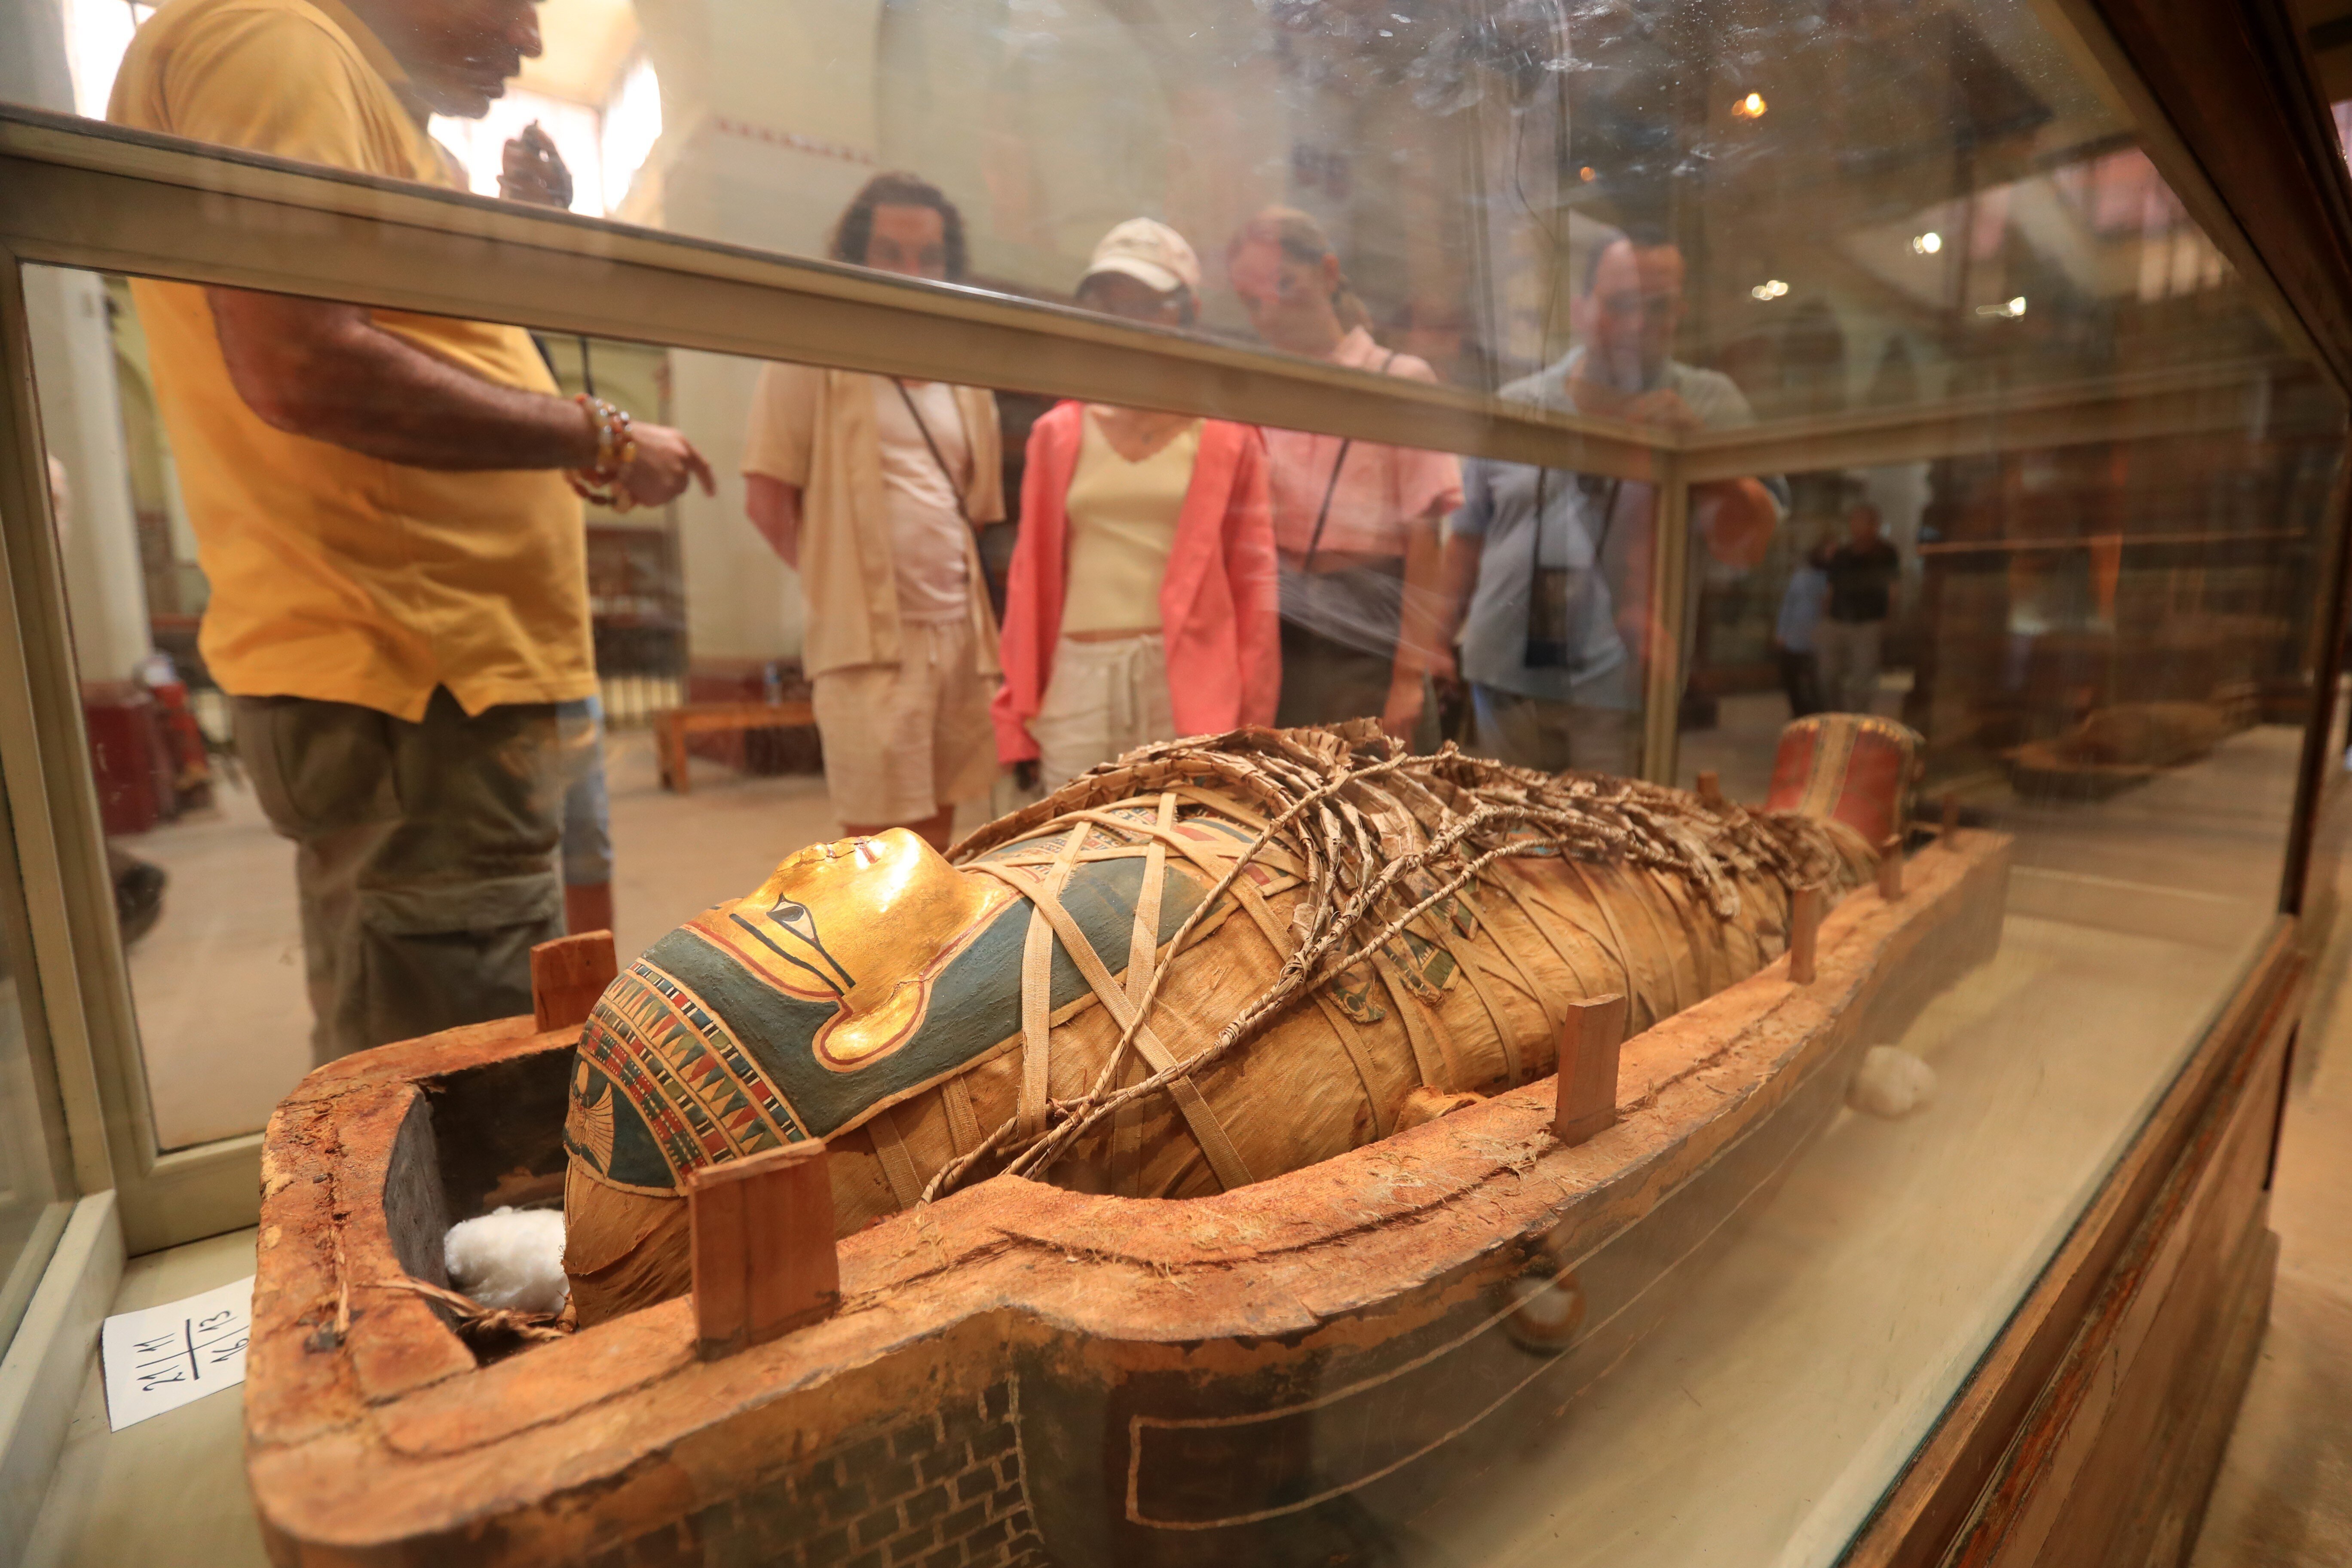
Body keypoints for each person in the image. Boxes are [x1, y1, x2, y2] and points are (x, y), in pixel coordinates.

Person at [109, 0, 714, 1062]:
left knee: (453, 1029)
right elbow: (304, 360)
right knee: (452, 1082)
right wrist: (602, 439)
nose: (530, 39)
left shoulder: (354, 95)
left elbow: (437, 347)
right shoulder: (275, 40)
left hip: (438, 672)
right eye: (516, 1)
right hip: (411, 674)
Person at [1432, 227, 1785, 775]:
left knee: (1608, 851)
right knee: (1505, 843)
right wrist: (1432, 648)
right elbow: (1468, 538)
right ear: (1580, 308)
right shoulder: (1520, 407)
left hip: (1622, 686)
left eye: (1658, 307)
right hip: (1503, 675)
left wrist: (1702, 462)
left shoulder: (1710, 403)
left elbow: (1749, 547)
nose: (1637, 325)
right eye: (1620, 305)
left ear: (1680, 312)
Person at [741, 174, 1007, 853]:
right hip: (866, 648)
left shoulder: (964, 370)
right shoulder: (815, 350)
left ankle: (933, 967)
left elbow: (974, 511)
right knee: (875, 864)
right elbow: (767, 500)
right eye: (891, 253)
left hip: (958, 636)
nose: (912, 273)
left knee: (941, 854)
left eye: (929, 257)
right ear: (859, 258)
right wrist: (841, 588)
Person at [993, 221, 1279, 789]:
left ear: (1186, 310)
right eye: (1112, 304)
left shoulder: (1226, 436)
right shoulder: (1060, 430)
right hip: (1079, 677)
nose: (1130, 321)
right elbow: (1031, 580)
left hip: (1189, 682)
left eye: (1150, 305)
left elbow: (1256, 587)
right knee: (1067, 854)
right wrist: (1016, 708)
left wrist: (1255, 722)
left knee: (1189, 853)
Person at [1225, 208, 1461, 742]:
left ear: (1329, 275)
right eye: (1252, 298)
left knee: (1379, 804)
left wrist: (1407, 678)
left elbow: (1427, 542)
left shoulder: (1399, 379)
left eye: (1286, 284)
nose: (1271, 311)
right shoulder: (1261, 392)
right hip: (1280, 631)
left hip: (1370, 636)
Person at [1814, 502, 1902, 714]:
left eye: (1864, 521)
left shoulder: (1887, 553)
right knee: (1827, 674)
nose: (1858, 526)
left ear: (1875, 525)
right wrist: (1824, 618)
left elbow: (1893, 589)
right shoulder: (1842, 553)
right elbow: (1831, 588)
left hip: (1868, 623)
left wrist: (1890, 619)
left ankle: (1857, 718)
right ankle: (1834, 714)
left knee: (1864, 676)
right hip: (1837, 621)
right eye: (1855, 521)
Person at [1774, 546, 1829, 719]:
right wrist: (1782, 632)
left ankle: (1816, 714)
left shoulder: (1829, 580)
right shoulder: (1800, 577)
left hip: (1817, 638)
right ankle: (1798, 713)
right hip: (1795, 635)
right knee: (1792, 677)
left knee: (1815, 681)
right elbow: (1788, 605)